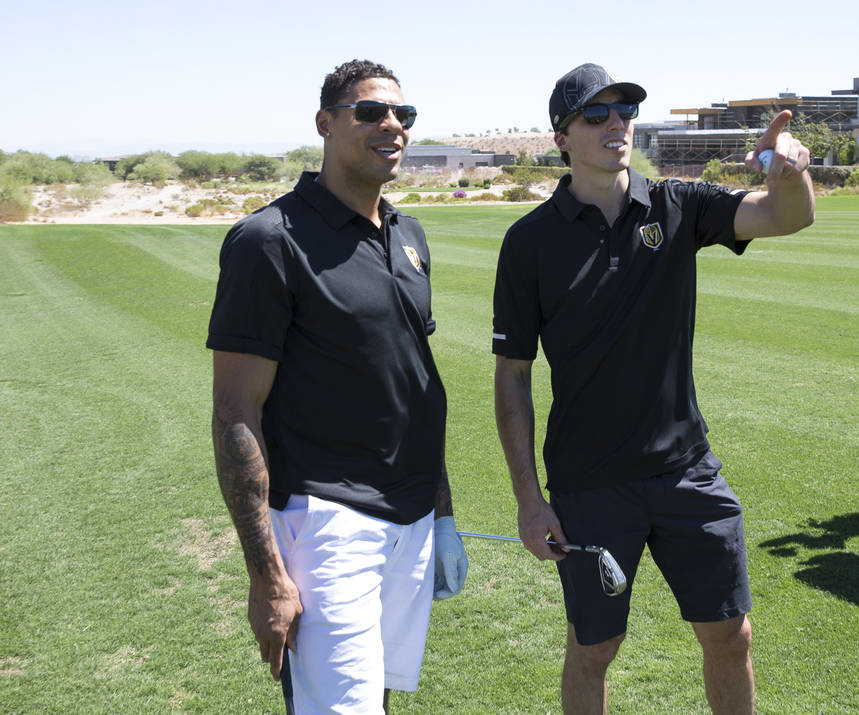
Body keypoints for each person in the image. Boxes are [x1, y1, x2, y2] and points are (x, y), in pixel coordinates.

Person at [492, 63, 814, 714]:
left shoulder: (677, 205)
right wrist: (530, 500)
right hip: (589, 483)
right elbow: (513, 377)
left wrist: (791, 170)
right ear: (562, 137)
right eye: (596, 113)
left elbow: (785, 217)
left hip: (687, 473)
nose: (616, 122)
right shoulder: (528, 243)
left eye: (625, 110)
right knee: (593, 648)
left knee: (731, 633)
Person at [207, 59, 468, 714]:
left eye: (403, 115)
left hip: (409, 517)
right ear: (325, 124)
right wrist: (267, 573)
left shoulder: (409, 236)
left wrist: (442, 513)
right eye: (371, 112)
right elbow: (237, 409)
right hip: (325, 525)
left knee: (375, 698)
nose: (392, 126)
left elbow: (412, 386)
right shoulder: (269, 240)